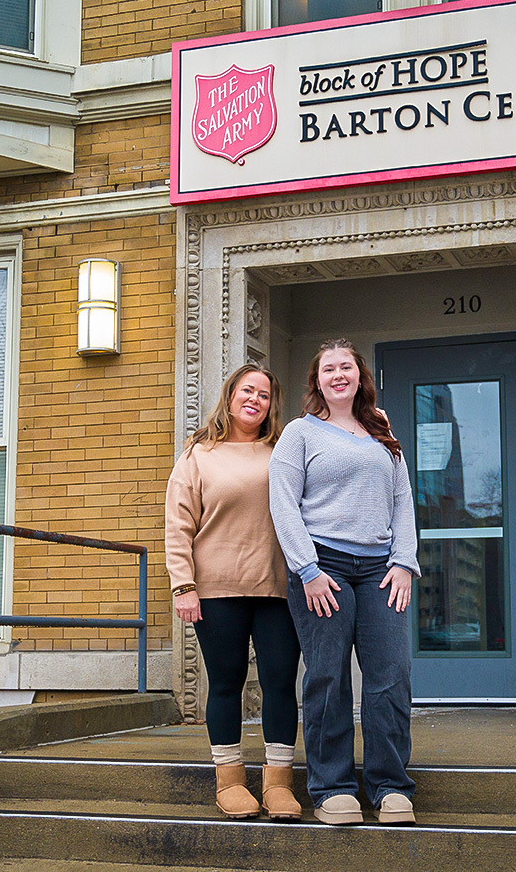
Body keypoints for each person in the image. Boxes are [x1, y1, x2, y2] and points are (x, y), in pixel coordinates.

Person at [268, 338, 419, 826]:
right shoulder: (300, 433)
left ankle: (390, 785)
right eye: (328, 368)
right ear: (316, 380)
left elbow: (402, 500)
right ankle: (332, 788)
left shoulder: (381, 429)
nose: (338, 374)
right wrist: (307, 570)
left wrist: (403, 561)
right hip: (322, 567)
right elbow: (283, 503)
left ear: (359, 376)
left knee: (390, 676)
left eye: (346, 367)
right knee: (327, 677)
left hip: (381, 570)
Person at [165, 362, 303, 821]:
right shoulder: (198, 454)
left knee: (281, 683)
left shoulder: (283, 450)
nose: (255, 400)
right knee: (226, 683)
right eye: (248, 391)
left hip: (277, 589)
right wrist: (183, 584)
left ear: (271, 405)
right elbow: (178, 525)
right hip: (216, 589)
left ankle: (278, 783)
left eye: (264, 395)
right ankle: (229, 781)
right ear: (230, 396)